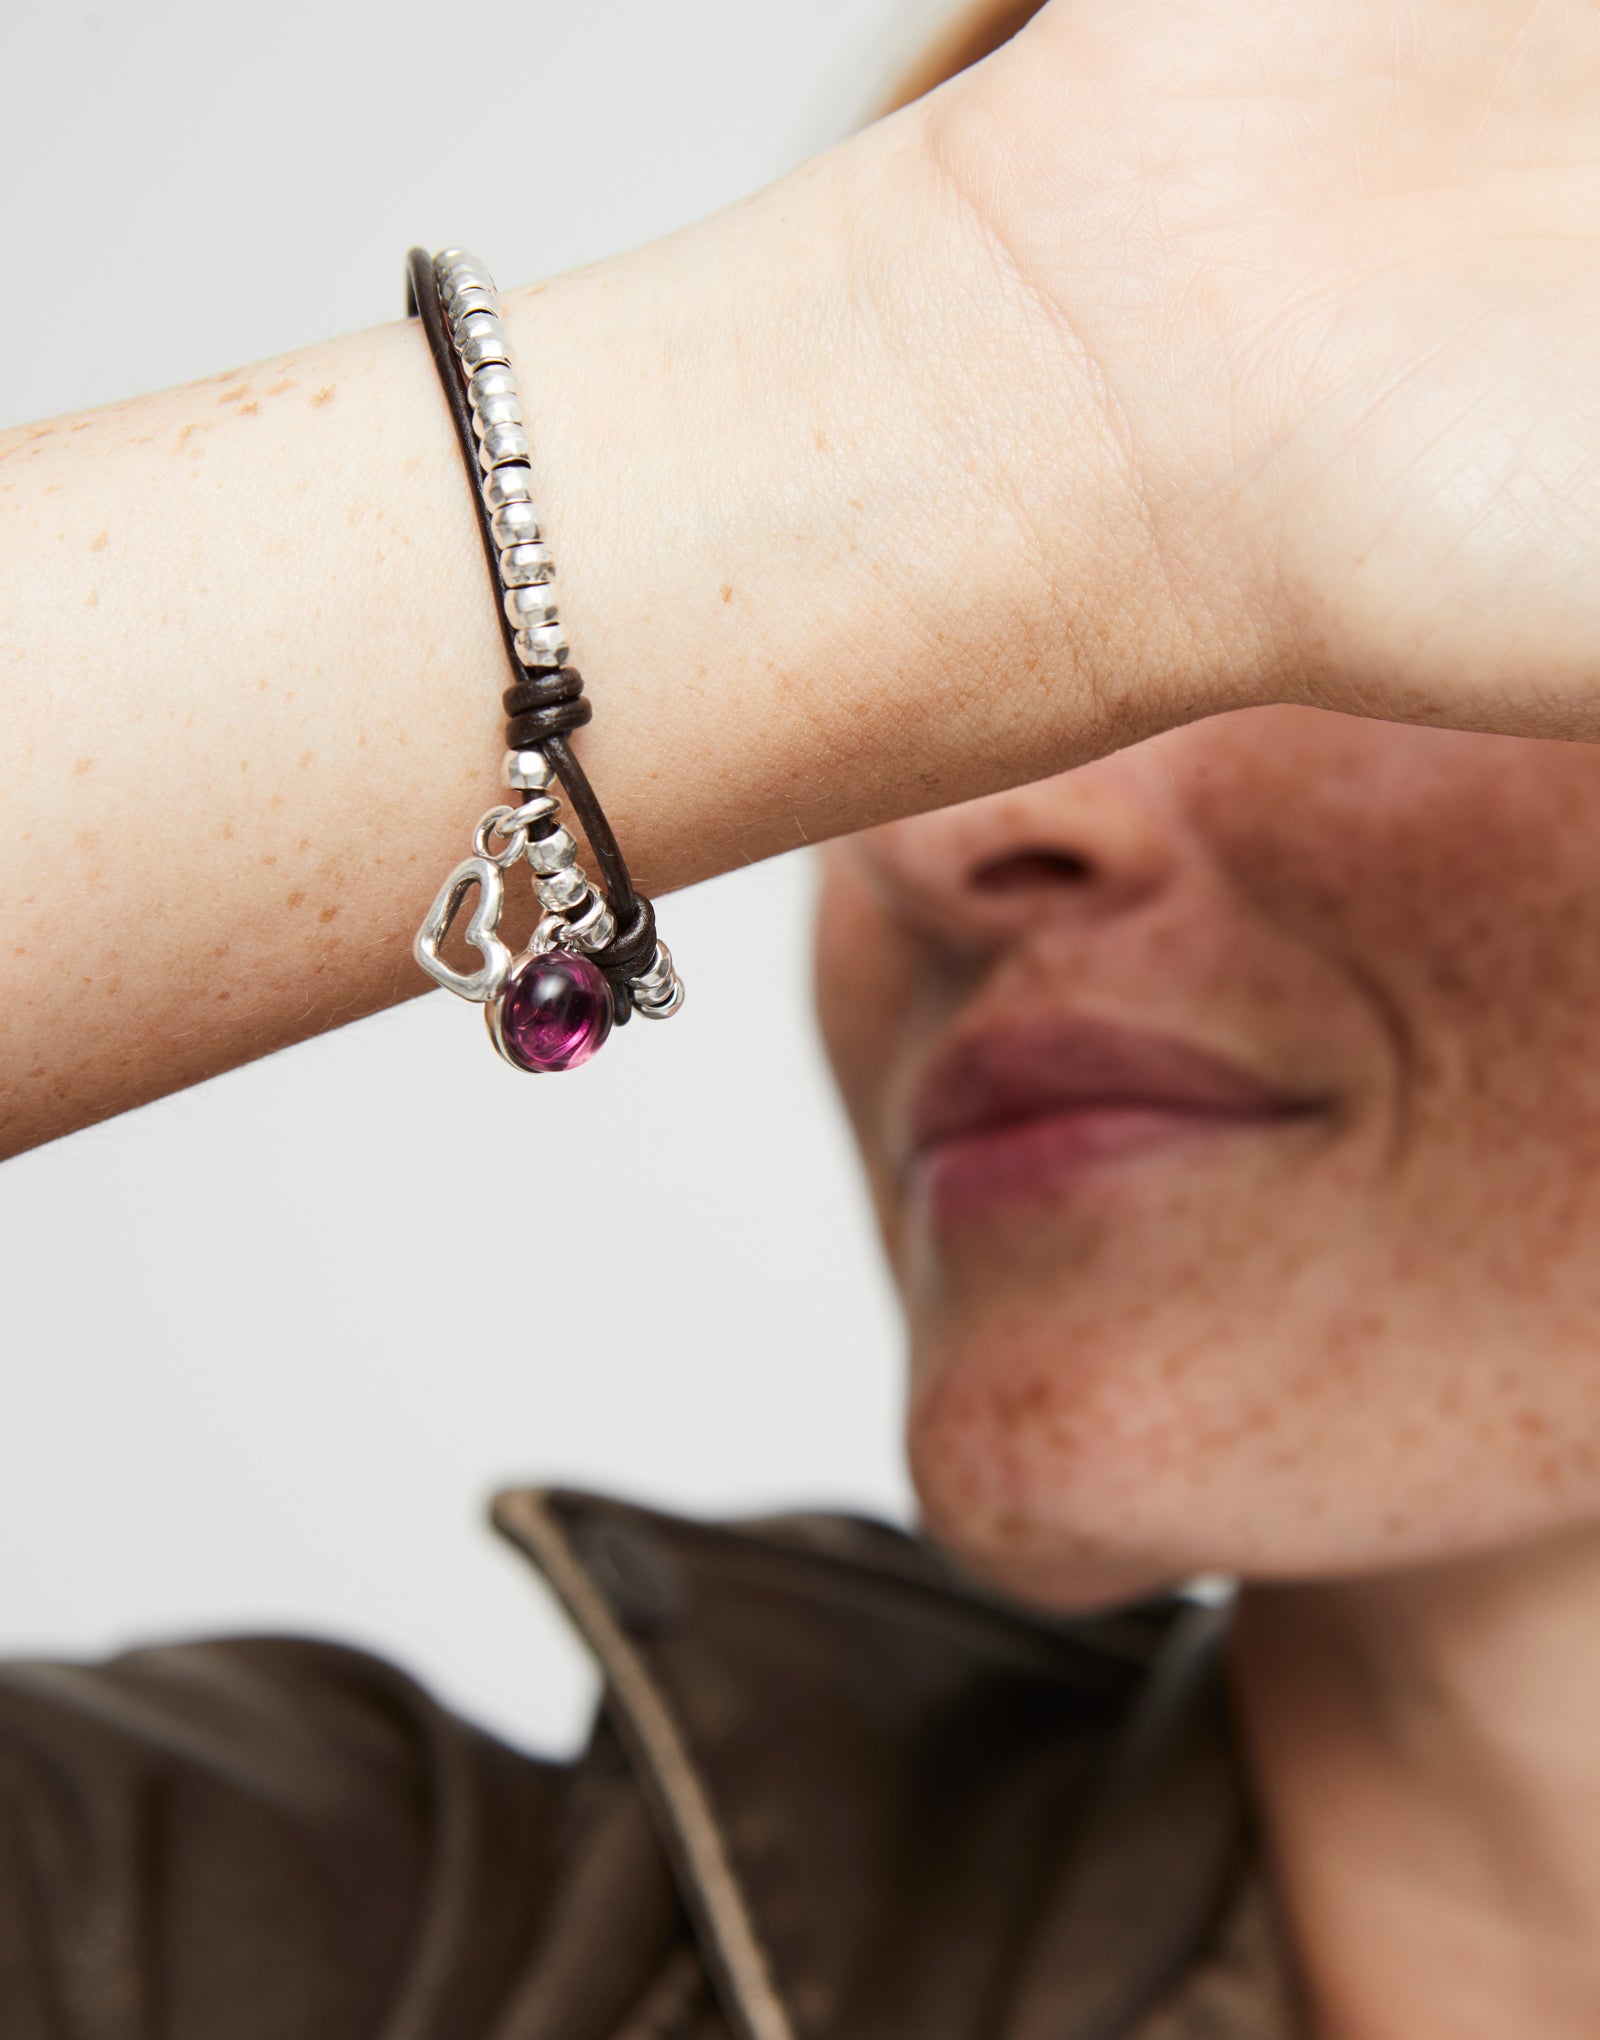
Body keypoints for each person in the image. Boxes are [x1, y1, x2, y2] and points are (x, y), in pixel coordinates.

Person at [5, 0, 1600, 2032]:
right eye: (930, 683)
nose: (936, 842)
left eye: (1311, 582)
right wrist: (911, 367)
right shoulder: (400, 1957)